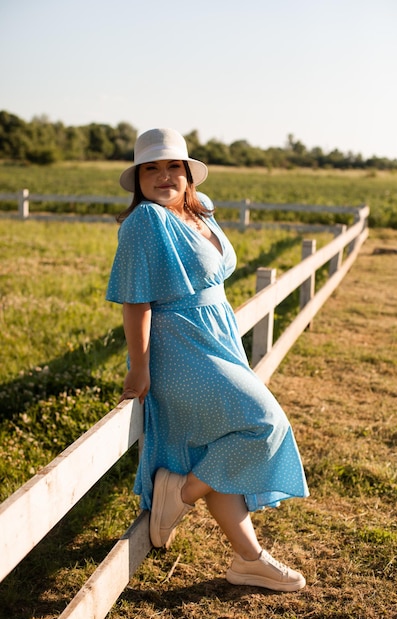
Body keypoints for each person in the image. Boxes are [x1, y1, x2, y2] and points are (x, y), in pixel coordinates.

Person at [106, 128, 309, 592]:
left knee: (217, 444)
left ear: (187, 174)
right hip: (180, 345)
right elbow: (136, 302)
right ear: (137, 179)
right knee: (264, 424)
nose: (162, 176)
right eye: (150, 169)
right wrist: (140, 367)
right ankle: (179, 492)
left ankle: (248, 559)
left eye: (172, 166)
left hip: (217, 337)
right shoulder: (145, 223)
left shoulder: (199, 211)